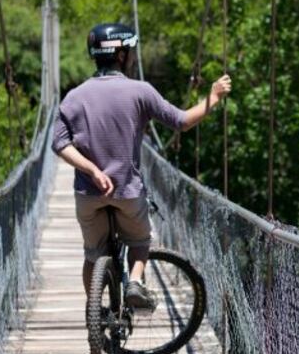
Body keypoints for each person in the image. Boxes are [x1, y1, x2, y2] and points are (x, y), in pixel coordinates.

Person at [51, 23, 230, 311]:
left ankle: (94, 312)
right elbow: (183, 122)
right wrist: (214, 97)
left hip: (88, 193)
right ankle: (135, 281)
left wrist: (93, 171)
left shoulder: (74, 96)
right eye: (130, 51)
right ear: (121, 55)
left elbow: (59, 144)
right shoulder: (140, 91)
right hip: (127, 192)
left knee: (92, 255)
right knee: (140, 241)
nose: (133, 56)